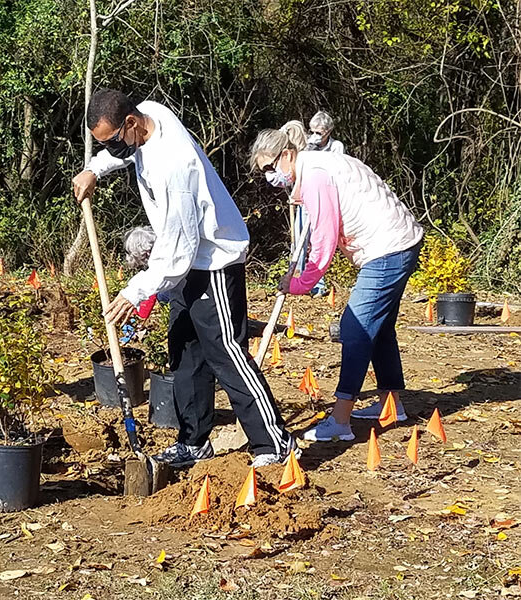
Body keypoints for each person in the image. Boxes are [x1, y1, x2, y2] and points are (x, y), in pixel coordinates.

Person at [72, 88, 297, 468]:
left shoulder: (175, 165)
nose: (114, 149)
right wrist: (94, 168)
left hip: (213, 260)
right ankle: (193, 442)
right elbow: (119, 153)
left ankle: (274, 441)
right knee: (185, 351)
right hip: (186, 262)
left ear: (131, 123)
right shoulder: (150, 113)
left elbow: (178, 251)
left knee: (226, 353)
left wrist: (134, 292)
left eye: (112, 142)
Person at [250, 127, 423, 442]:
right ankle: (391, 405)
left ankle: (341, 420)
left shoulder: (316, 175)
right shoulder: (318, 167)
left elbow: (324, 238)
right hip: (399, 242)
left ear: (287, 155)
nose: (271, 177)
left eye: (271, 168)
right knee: (378, 327)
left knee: (354, 327)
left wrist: (302, 282)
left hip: (389, 247)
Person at [276, 121, 329, 297]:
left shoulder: (312, 152)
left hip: (318, 202)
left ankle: (317, 284)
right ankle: (297, 279)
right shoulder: (287, 158)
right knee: (298, 242)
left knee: (316, 242)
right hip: (302, 204)